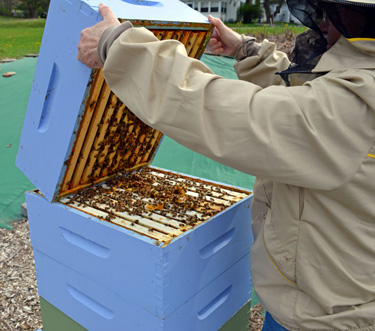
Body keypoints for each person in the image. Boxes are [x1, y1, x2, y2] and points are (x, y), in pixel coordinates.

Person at [78, 0, 375, 329]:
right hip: (319, 298)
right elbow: (303, 99)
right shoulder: (353, 88)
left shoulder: (360, 101)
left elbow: (238, 116)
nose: (326, 25)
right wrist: (248, 51)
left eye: (340, 15)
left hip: (332, 318)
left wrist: (119, 48)